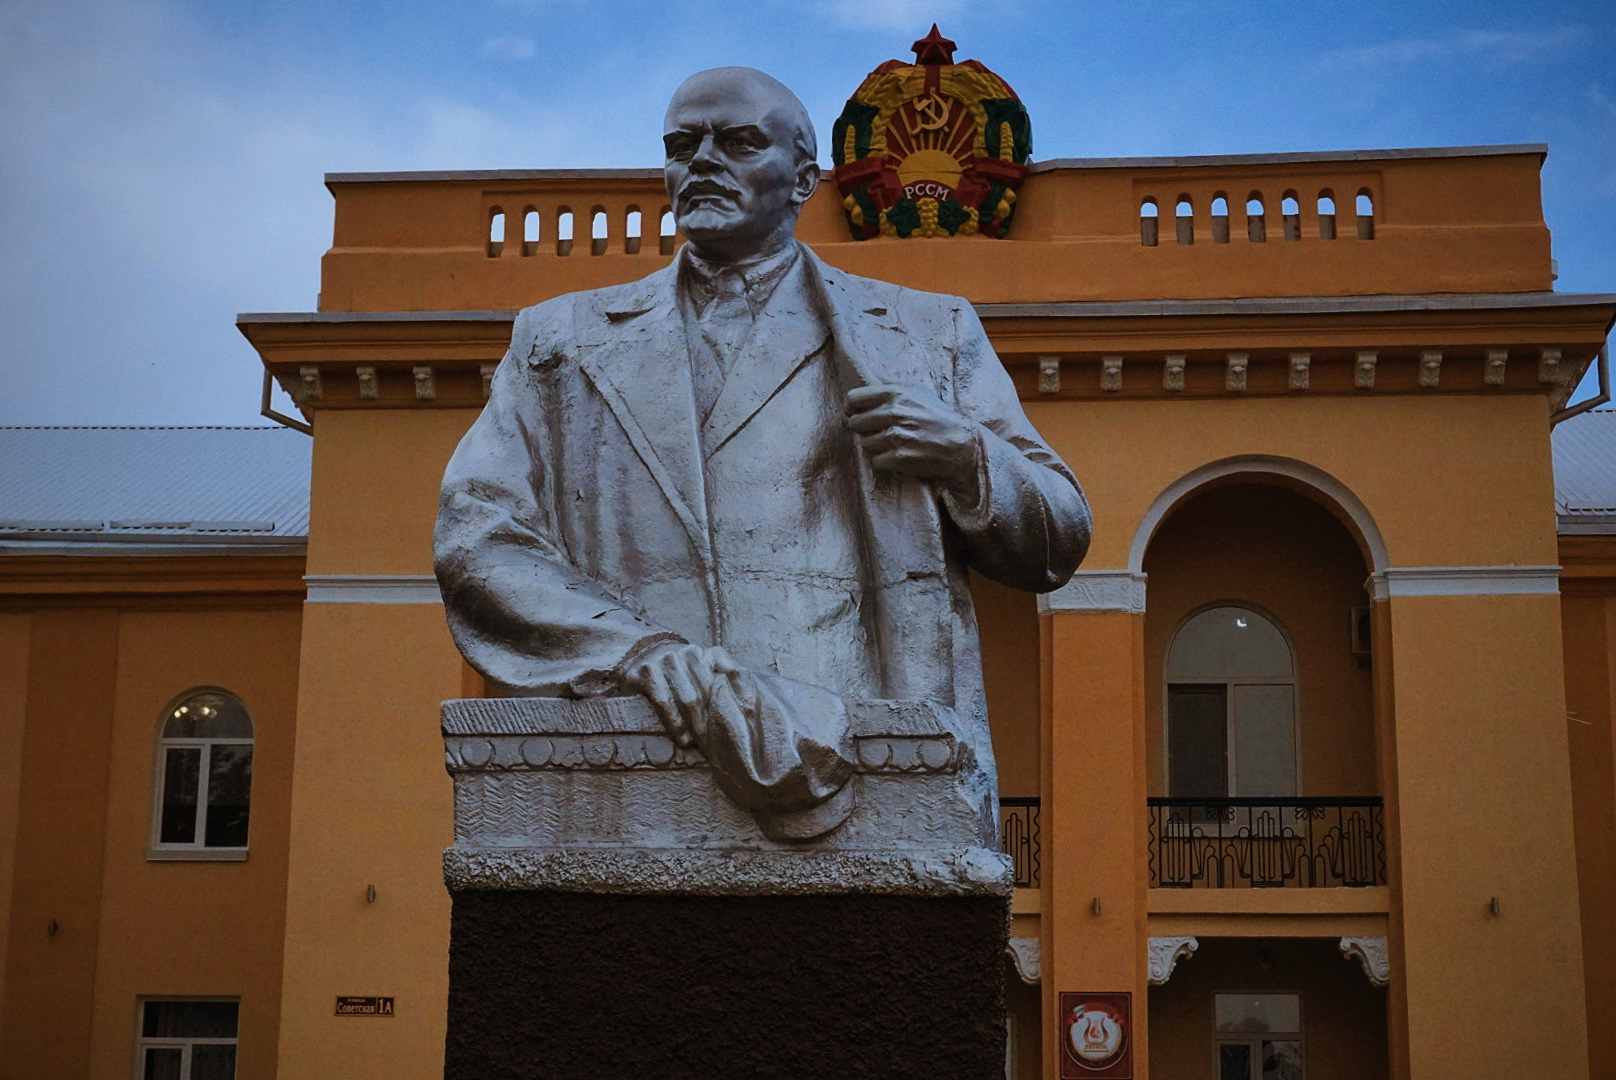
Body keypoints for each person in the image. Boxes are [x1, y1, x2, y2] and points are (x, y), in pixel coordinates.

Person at [435, 67, 1090, 840]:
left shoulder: (925, 333)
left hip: (866, 759)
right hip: (634, 757)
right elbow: (479, 537)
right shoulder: (561, 342)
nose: (703, 161)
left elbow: (1058, 538)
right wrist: (634, 649)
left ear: (804, 177)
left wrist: (965, 457)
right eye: (684, 145)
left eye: (739, 141)